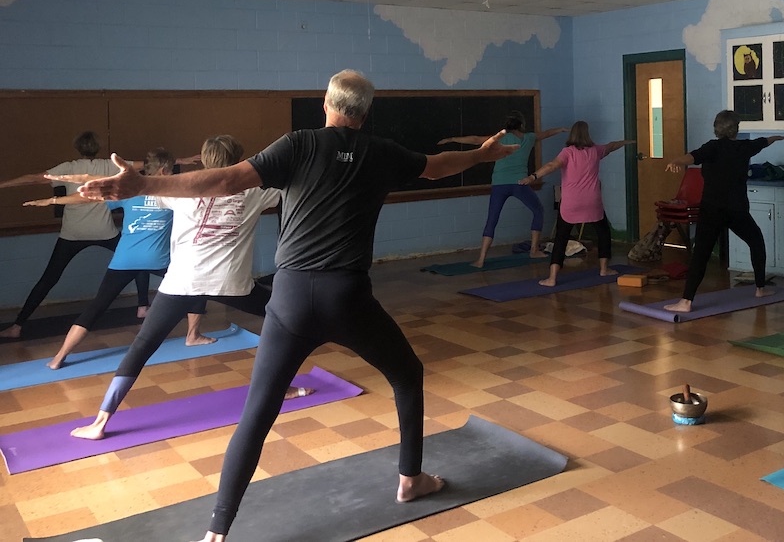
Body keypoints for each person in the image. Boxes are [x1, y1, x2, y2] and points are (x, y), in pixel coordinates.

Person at [71, 69, 517, 542]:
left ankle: (217, 534)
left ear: (326, 104)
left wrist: (144, 186)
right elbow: (438, 164)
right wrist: (482, 155)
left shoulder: (298, 144)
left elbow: (224, 180)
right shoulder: (383, 152)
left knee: (258, 412)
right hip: (349, 299)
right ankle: (411, 480)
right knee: (407, 374)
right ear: (366, 113)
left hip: (290, 299)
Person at [58, 134, 296, 441]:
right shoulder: (255, 191)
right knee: (284, 321)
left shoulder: (180, 189)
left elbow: (147, 190)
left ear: (204, 158)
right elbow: (291, 186)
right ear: (239, 159)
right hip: (231, 284)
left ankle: (100, 423)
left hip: (182, 282)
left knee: (142, 346)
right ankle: (281, 388)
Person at [24, 148, 211, 369]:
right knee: (198, 287)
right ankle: (193, 336)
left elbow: (87, 197)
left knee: (95, 308)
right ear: (163, 171)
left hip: (124, 261)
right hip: (159, 261)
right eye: (170, 172)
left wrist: (53, 201)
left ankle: (59, 357)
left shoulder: (130, 193)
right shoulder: (173, 195)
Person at [0, 132, 152, 338]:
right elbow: (150, 164)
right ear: (97, 147)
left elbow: (32, 178)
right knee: (138, 260)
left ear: (77, 147)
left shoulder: (68, 168)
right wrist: (182, 160)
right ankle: (143, 307)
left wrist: (3, 184)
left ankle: (17, 326)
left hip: (73, 234)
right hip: (103, 231)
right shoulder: (110, 165)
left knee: (49, 278)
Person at [662, 110, 784, 313]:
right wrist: (777, 137)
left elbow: (692, 157)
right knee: (756, 242)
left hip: (712, 209)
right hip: (736, 210)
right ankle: (760, 288)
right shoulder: (744, 147)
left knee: (700, 255)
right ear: (735, 129)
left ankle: (686, 301)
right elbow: (764, 141)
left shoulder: (712, 148)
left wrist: (677, 161)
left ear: (717, 128)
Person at [438, 111, 567, 267]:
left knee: (492, 219)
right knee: (538, 210)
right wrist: (561, 129)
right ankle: (534, 250)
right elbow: (546, 133)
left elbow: (475, 140)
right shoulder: (529, 138)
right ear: (522, 126)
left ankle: (480, 259)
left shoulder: (500, 139)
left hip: (499, 184)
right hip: (520, 184)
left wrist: (452, 139)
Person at [519, 121, 633, 286]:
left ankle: (552, 278)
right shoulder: (596, 151)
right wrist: (628, 141)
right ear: (587, 134)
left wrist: (532, 177)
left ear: (572, 134)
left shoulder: (568, 152)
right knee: (603, 233)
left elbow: (552, 165)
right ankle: (604, 269)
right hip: (592, 201)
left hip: (571, 203)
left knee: (561, 238)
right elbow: (612, 146)